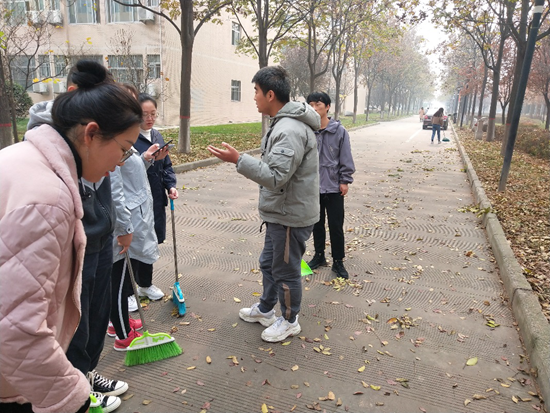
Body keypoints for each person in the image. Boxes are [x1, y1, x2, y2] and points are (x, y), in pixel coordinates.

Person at [0, 61, 142, 413]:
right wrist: (70, 398)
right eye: (124, 148)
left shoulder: (23, 158)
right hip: (15, 385)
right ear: (91, 133)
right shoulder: (48, 199)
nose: (122, 162)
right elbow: (16, 331)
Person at [207, 66, 320, 343]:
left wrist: (238, 160)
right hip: (279, 212)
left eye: (256, 91)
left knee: (286, 271)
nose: (254, 97)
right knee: (269, 263)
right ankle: (267, 309)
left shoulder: (289, 130)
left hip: (290, 215)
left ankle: (290, 320)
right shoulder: (282, 124)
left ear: (270, 95)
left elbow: (275, 177)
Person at [109, 128, 168, 351]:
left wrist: (145, 159)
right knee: (119, 280)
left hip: (133, 219)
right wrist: (124, 227)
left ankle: (119, 321)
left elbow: (131, 175)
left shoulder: (124, 141)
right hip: (124, 224)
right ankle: (123, 334)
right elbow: (115, 191)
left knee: (124, 276)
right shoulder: (112, 143)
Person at [128, 93, 178, 305]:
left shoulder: (157, 136)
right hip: (137, 200)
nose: (149, 119)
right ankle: (128, 291)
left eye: (153, 114)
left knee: (150, 242)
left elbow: (166, 166)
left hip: (156, 199)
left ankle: (145, 284)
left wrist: (171, 185)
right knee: (134, 244)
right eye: (144, 114)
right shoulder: (130, 139)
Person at [306, 92, 355, 279]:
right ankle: (319, 256)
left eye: (318, 104)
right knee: (316, 224)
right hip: (313, 187)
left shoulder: (339, 131)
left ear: (327, 107)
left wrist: (345, 180)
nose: (314, 108)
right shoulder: (307, 130)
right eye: (311, 104)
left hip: (334, 186)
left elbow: (345, 157)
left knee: (335, 225)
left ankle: (338, 261)